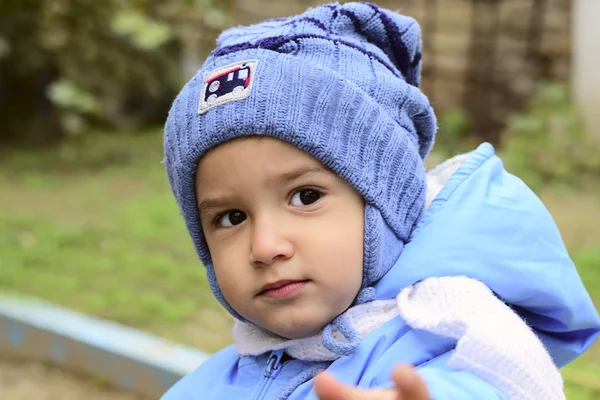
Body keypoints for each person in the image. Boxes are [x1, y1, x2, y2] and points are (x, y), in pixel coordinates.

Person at [161, 2, 600, 399]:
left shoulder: (453, 339)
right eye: (232, 217)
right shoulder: (218, 380)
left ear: (389, 204)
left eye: (305, 196)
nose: (265, 246)